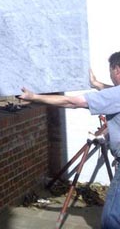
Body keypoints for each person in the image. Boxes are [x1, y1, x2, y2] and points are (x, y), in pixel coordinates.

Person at [19, 52, 120, 229]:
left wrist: (34, 97)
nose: (110, 76)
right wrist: (96, 84)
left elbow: (72, 102)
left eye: (110, 71)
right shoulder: (114, 94)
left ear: (117, 70)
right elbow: (112, 94)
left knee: (111, 218)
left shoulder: (115, 95)